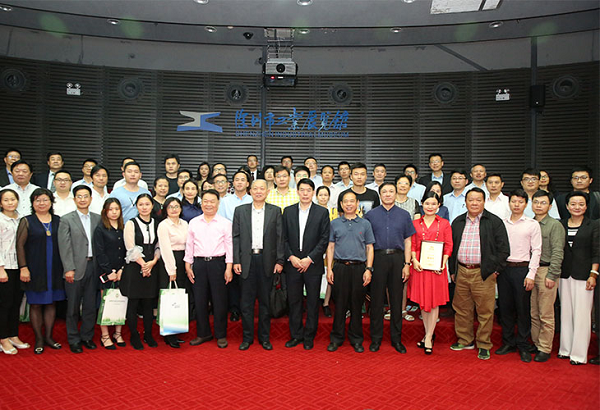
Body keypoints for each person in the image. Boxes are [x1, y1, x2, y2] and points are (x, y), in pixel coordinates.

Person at [449, 188, 510, 361]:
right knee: (462, 309)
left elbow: (504, 249)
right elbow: (451, 247)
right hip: (461, 271)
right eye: (471, 200)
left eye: (478, 200)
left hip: (483, 273)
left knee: (485, 311)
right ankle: (465, 340)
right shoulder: (458, 221)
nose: (474, 203)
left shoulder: (494, 222)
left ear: (484, 202)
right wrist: (453, 270)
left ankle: (483, 344)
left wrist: (495, 270)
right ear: (465, 202)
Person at [233, 179, 284, 351]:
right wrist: (236, 260)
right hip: (246, 261)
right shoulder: (240, 211)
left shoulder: (275, 211)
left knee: (265, 302)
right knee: (246, 303)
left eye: (262, 188)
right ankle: (247, 338)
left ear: (268, 192)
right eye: (255, 188)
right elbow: (236, 237)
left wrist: (279, 261)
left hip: (267, 261)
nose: (259, 191)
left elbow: (280, 238)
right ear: (250, 191)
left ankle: (264, 338)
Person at [365, 182, 415, 354]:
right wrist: (368, 266)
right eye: (384, 191)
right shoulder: (370, 215)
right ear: (380, 194)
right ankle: (376, 339)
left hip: (397, 258)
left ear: (395, 194)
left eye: (391, 191)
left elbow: (408, 241)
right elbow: (367, 243)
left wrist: (407, 264)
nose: (387, 194)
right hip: (377, 258)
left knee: (396, 300)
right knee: (377, 300)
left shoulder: (404, 215)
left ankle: (396, 339)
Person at [16, 188, 66, 354]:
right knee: (36, 304)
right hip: (35, 268)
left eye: (45, 200)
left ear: (51, 202)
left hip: (55, 268)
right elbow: (20, 246)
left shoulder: (58, 220)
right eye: (37, 200)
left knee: (52, 303)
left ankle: (49, 337)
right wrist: (23, 267)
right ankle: (38, 338)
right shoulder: (27, 221)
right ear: (32, 203)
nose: (41, 203)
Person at [282, 178, 330, 350]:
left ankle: (309, 336)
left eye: (308, 190)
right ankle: (296, 335)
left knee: (312, 302)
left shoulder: (322, 212)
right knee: (294, 302)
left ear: (313, 193)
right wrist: (291, 257)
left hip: (313, 265)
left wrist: (309, 258)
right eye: (302, 190)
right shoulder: (288, 212)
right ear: (297, 192)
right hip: (293, 264)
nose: (305, 193)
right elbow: (282, 238)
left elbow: (324, 239)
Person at [495, 189, 542, 363]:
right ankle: (508, 342)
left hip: (523, 270)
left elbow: (536, 250)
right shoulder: (502, 223)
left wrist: (531, 274)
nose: (516, 205)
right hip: (504, 269)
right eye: (514, 201)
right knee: (505, 308)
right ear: (509, 203)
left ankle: (523, 344)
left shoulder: (532, 224)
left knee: (523, 309)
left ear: (526, 204)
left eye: (520, 202)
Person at [326, 190, 374, 353]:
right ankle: (336, 338)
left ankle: (356, 339)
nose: (348, 204)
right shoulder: (334, 223)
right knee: (339, 304)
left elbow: (369, 247)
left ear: (357, 203)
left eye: (352, 201)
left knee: (356, 305)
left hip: (359, 268)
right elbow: (330, 246)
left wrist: (368, 269)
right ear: (341, 204)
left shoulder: (365, 224)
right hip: (340, 267)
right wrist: (329, 268)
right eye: (345, 201)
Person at [186, 189, 233, 349]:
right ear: (201, 203)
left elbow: (230, 247)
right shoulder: (194, 222)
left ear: (218, 204)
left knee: (219, 301)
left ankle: (221, 335)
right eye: (205, 201)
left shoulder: (225, 223)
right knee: (200, 300)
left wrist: (229, 267)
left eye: (212, 201)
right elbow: (189, 245)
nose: (209, 204)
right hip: (199, 264)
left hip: (218, 264)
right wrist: (188, 264)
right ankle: (203, 333)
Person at [57, 185, 101, 354]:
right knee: (73, 307)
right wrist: (68, 268)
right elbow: (64, 247)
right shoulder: (66, 219)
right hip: (75, 268)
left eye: (85, 196)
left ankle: (87, 337)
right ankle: (73, 339)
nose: (83, 199)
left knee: (90, 305)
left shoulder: (98, 218)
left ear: (91, 199)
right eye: (79, 196)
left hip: (93, 267)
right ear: (74, 199)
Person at [409, 191, 453, 355]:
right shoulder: (415, 223)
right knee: (423, 302)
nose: (430, 207)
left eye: (433, 204)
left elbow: (448, 245)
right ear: (422, 204)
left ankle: (428, 336)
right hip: (420, 267)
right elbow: (413, 244)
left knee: (434, 302)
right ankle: (428, 334)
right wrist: (414, 260)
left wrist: (442, 263)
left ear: (439, 205)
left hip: (436, 268)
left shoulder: (444, 223)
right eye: (427, 203)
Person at [558, 191, 599, 365]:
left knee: (582, 314)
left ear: (586, 206)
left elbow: (597, 252)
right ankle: (565, 349)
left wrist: (593, 274)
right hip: (564, 273)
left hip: (584, 275)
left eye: (581, 204)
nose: (577, 207)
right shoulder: (560, 224)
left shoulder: (593, 225)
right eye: (573, 204)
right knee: (566, 312)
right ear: (567, 206)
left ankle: (579, 354)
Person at [121, 193, 160, 350]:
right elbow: (130, 248)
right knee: (133, 303)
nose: (144, 207)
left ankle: (148, 334)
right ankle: (134, 335)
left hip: (152, 265)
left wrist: (153, 262)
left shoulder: (157, 223)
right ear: (136, 207)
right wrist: (144, 265)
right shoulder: (131, 223)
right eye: (141, 204)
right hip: (135, 266)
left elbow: (159, 245)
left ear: (152, 206)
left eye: (147, 204)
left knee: (149, 303)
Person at [531, 190, 565, 362]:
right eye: (536, 202)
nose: (539, 206)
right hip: (532, 270)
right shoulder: (530, 223)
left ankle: (545, 348)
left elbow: (558, 252)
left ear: (550, 206)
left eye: (543, 203)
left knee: (546, 312)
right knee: (533, 311)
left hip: (546, 271)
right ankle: (536, 343)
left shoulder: (554, 225)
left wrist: (552, 274)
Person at [93, 198, 126, 350]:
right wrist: (109, 271)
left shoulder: (124, 228)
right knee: (105, 304)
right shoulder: (100, 229)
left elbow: (128, 250)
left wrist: (122, 269)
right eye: (110, 209)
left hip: (121, 271)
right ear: (105, 211)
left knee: (121, 302)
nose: (114, 212)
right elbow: (100, 252)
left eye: (116, 209)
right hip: (106, 272)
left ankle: (118, 333)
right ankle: (105, 335)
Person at [157, 197, 189, 348]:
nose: (174, 209)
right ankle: (168, 334)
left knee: (179, 296)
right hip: (169, 261)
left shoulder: (185, 224)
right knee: (169, 297)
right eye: (170, 207)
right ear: (166, 210)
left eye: (176, 206)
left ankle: (176, 330)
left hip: (183, 260)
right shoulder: (163, 225)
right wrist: (171, 269)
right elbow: (165, 248)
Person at [0, 189, 28, 354]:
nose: (10, 202)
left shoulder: (22, 219)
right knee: (4, 304)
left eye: (13, 199)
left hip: (19, 266)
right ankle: (3, 338)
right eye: (6, 200)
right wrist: (1, 268)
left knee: (16, 302)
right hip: (5, 267)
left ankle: (13, 334)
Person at [315, 185, 337, 317]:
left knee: (329, 275)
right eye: (320, 195)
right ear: (316, 196)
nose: (323, 197)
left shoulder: (334, 212)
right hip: (315, 249)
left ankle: (326, 303)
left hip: (330, 248)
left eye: (325, 195)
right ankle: (315, 300)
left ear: (329, 197)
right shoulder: (312, 211)